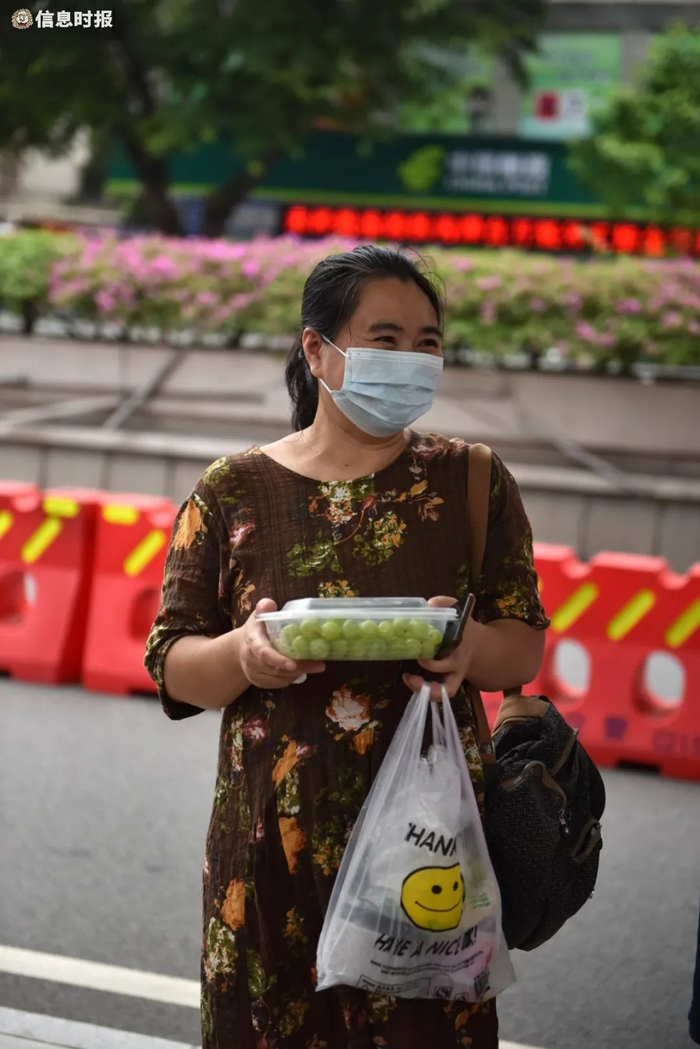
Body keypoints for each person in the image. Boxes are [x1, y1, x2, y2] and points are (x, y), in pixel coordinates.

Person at [144, 245, 550, 1048]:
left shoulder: (473, 480)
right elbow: (173, 662)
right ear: (316, 349)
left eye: (428, 342)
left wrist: (468, 646)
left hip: (429, 848)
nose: (411, 360)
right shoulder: (233, 488)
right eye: (385, 339)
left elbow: (522, 648)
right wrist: (246, 654)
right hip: (272, 850)